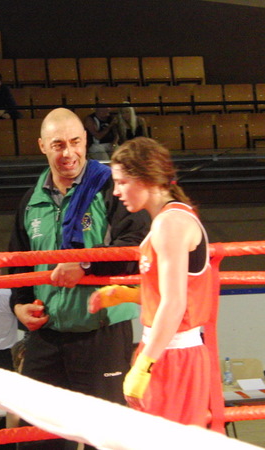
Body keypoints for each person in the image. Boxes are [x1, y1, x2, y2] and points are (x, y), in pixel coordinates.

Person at [8, 108, 150, 450]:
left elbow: (136, 247)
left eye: (75, 142)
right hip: (47, 336)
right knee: (38, 440)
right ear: (43, 146)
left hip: (101, 334)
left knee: (109, 439)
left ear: (86, 141)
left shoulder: (113, 187)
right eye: (58, 145)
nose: (68, 152)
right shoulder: (31, 200)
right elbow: (19, 263)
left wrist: (85, 265)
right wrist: (19, 306)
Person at [88, 137, 222, 429]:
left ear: (145, 178)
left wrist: (144, 364)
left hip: (173, 354)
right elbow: (173, 292)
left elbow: (175, 304)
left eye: (122, 182)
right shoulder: (168, 219)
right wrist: (128, 295)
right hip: (167, 351)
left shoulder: (169, 224)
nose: (116, 191)